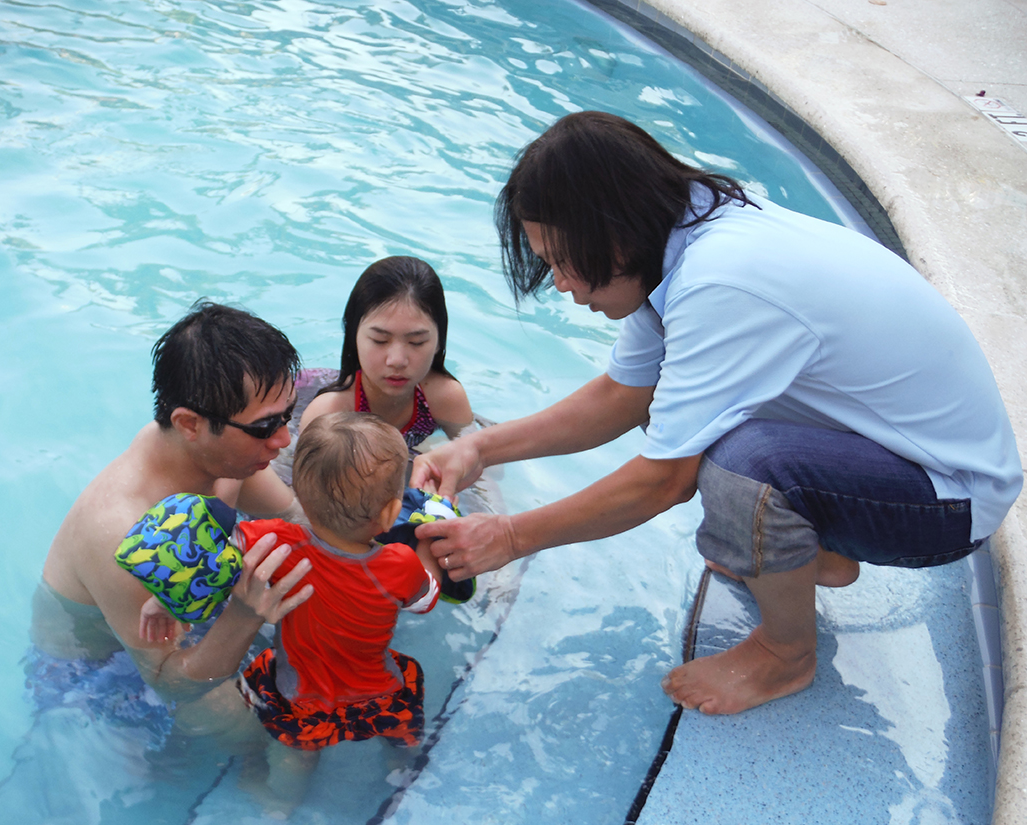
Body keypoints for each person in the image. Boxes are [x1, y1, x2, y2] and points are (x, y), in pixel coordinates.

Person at [410, 111, 1022, 717]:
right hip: (898, 454)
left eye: (565, 260)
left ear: (612, 229)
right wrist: (478, 449)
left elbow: (664, 481)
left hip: (947, 501)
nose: (563, 284)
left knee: (736, 467)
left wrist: (511, 537)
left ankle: (786, 653)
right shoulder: (682, 232)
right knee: (687, 418)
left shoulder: (719, 282)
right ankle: (817, 556)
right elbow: (624, 395)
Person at [35, 301, 314, 740]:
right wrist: (242, 615)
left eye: (286, 415)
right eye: (265, 427)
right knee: (270, 738)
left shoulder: (219, 455)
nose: (283, 438)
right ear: (189, 424)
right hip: (103, 669)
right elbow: (170, 682)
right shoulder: (125, 535)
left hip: (180, 619)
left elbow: (295, 516)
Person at [234, 412, 442, 810]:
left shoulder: (275, 540)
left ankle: (278, 806)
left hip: (300, 699)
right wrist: (427, 548)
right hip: (378, 693)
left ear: (297, 490)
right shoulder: (399, 564)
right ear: (389, 513)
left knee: (297, 755)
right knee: (404, 731)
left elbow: (221, 553)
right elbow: (426, 600)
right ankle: (405, 764)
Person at [299, 256, 473, 449]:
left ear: (439, 341)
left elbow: (483, 467)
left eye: (417, 342)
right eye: (379, 341)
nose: (397, 361)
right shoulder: (329, 415)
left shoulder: (443, 399)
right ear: (353, 337)